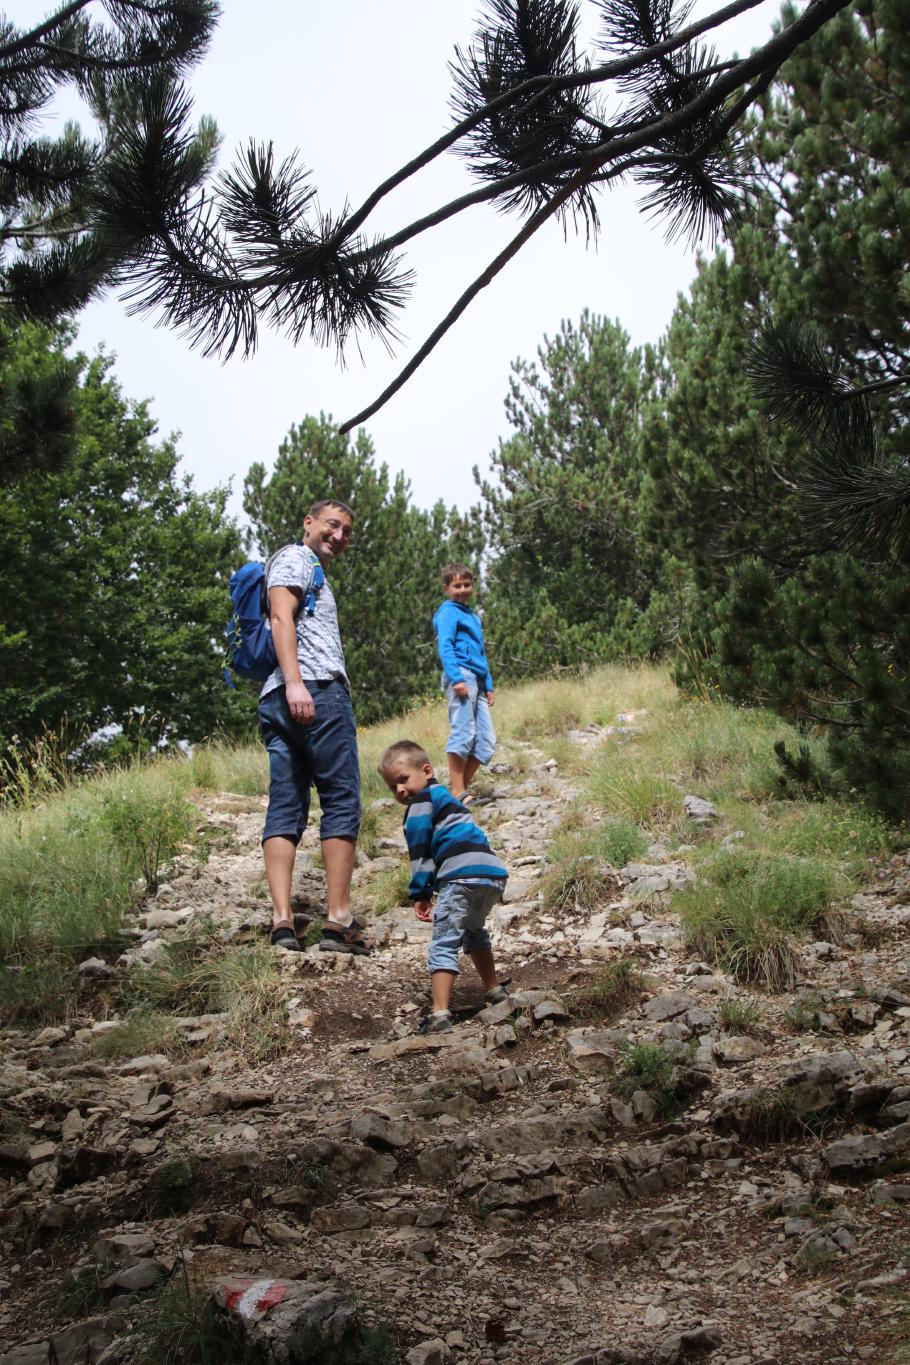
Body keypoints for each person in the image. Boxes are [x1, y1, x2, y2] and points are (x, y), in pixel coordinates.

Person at [258, 498, 370, 954]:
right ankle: (338, 921)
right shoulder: (295, 557)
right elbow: (280, 616)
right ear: (308, 523)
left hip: (282, 697)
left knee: (286, 805)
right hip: (314, 690)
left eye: (345, 530)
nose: (338, 535)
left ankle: (283, 922)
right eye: (331, 525)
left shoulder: (308, 566)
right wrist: (297, 683)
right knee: (342, 799)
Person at [379, 740, 508, 1033]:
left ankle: (439, 1014)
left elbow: (420, 851)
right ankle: (494, 990)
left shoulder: (420, 803)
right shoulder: (449, 797)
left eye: (403, 780)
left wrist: (421, 894)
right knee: (474, 932)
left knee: (444, 940)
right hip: (491, 875)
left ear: (426, 770)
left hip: (460, 876)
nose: (399, 790)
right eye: (392, 787)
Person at [433, 563, 496, 802]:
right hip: (461, 675)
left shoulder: (472, 616)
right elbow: (445, 646)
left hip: (477, 679)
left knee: (486, 742)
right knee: (463, 730)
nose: (463, 589)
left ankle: (456, 792)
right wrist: (457, 677)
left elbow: (481, 652)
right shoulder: (448, 612)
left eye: (467, 584)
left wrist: (488, 684)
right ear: (447, 588)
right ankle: (458, 792)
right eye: (457, 585)